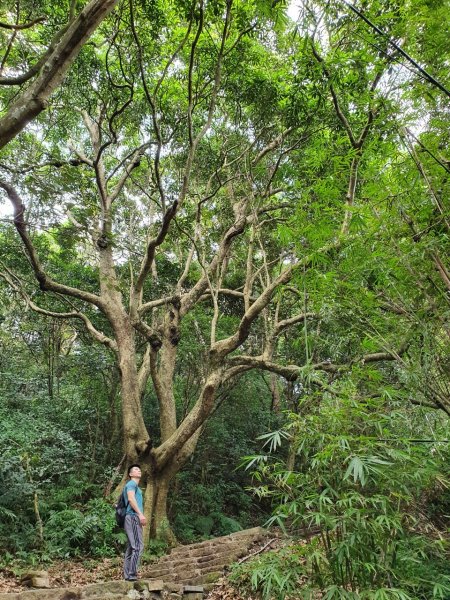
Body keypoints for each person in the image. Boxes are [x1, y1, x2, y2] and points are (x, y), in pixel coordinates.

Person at [123, 464, 146, 581]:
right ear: (131, 474)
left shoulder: (136, 486)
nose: (139, 471)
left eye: (139, 469)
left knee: (131, 548)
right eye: (136, 469)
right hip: (132, 517)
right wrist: (140, 514)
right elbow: (131, 499)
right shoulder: (131, 484)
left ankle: (127, 575)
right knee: (138, 546)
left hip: (130, 518)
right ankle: (132, 575)